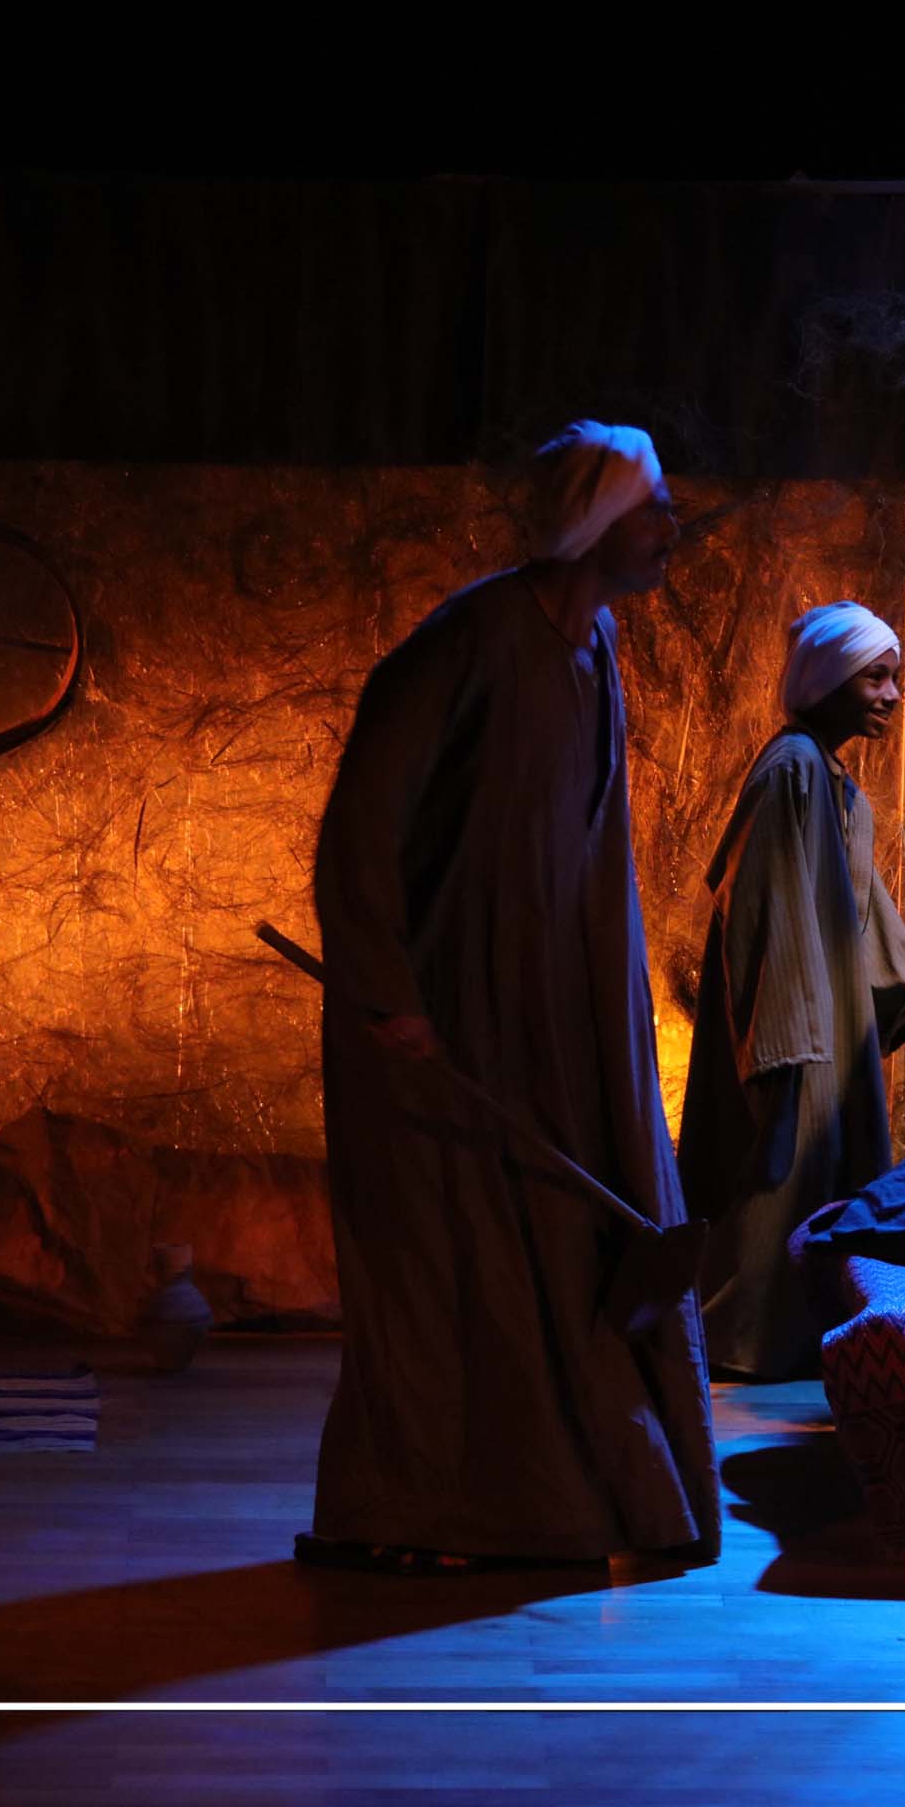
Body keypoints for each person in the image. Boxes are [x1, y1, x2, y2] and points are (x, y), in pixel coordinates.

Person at [302, 421, 718, 1573]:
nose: (671, 526)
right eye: (652, 506)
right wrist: (387, 992)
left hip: (549, 1021)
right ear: (596, 522)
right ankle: (428, 1514)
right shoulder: (471, 642)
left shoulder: (594, 645)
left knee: (556, 1252)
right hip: (444, 1023)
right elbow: (362, 826)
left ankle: (574, 1493)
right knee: (454, 1271)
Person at [676, 602, 905, 1380]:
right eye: (875, 678)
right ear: (827, 679)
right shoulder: (792, 769)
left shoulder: (836, 782)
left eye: (894, 678)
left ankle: (803, 1338)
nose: (892, 695)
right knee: (776, 1182)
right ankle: (746, 1341)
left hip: (829, 1016)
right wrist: (787, 1032)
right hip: (795, 1020)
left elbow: (859, 902)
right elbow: (761, 902)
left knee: (824, 1175)